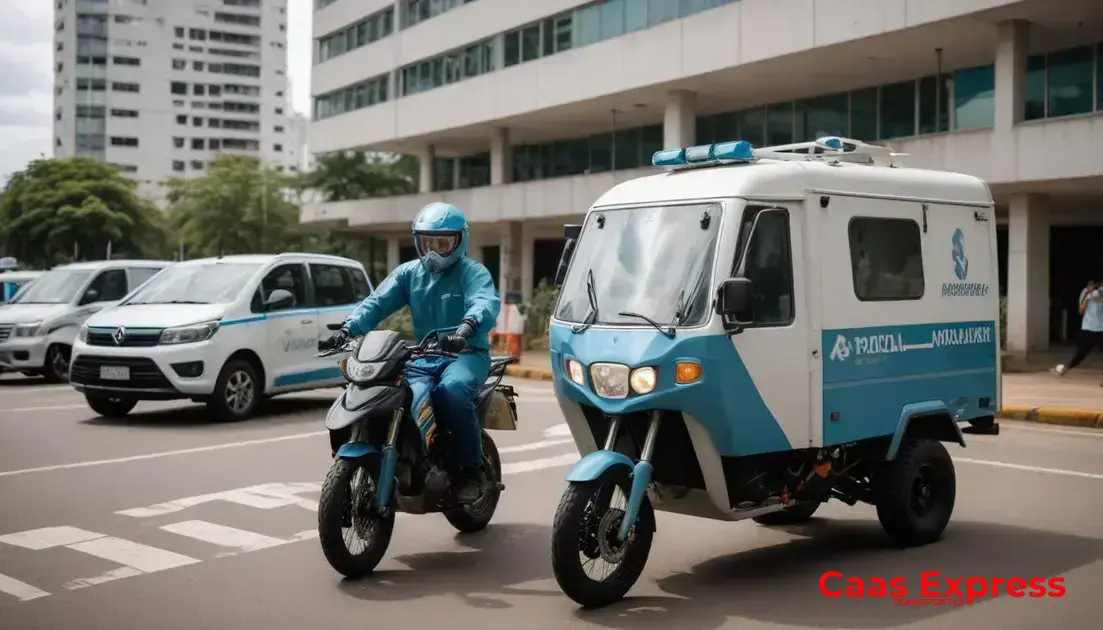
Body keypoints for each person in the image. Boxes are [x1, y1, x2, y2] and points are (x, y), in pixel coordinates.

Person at [318, 202, 501, 503]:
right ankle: (408, 455)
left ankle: (471, 470)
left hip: (465, 353)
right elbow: (376, 303)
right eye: (427, 242)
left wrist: (467, 327)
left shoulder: (472, 272)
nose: (433, 251)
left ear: (460, 241)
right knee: (396, 393)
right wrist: (347, 330)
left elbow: (484, 302)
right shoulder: (409, 274)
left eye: (442, 243)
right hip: (424, 355)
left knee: (451, 391)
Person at [1053, 280, 1103, 376]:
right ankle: (1065, 368)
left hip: (1101, 328)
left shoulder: (1100, 292)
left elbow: (1100, 297)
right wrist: (1088, 297)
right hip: (1088, 328)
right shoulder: (1085, 293)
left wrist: (1097, 295)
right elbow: (1081, 310)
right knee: (1080, 353)